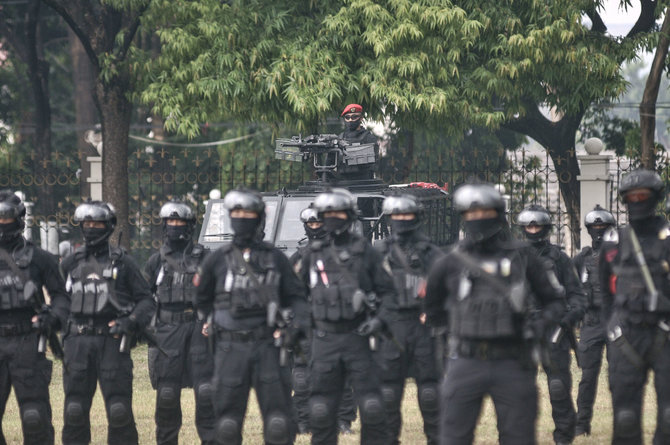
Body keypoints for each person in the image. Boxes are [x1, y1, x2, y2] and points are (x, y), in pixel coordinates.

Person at [424, 182, 565, 445]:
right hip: (465, 360)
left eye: (485, 213)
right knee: (453, 437)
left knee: (518, 436)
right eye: (471, 214)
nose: (478, 219)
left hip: (513, 360)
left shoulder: (523, 256)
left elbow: (555, 301)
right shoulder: (449, 262)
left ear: (498, 214)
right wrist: (459, 327)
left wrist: (537, 328)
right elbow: (433, 310)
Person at [195, 188, 309, 445]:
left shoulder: (276, 259)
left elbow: (298, 299)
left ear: (259, 218)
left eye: (248, 213)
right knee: (226, 425)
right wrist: (215, 320)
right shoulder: (217, 260)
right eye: (237, 213)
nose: (243, 218)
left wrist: (294, 326)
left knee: (279, 424)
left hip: (268, 347)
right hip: (229, 348)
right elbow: (201, 299)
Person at [299, 188, 392, 445]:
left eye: (338, 213)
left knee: (372, 407)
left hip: (358, 337)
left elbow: (389, 295)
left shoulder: (366, 253)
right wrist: (303, 326)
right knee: (320, 410)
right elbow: (297, 297)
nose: (333, 218)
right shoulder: (312, 255)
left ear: (350, 215)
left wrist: (378, 320)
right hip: (324, 339)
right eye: (328, 214)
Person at [60, 201, 155, 444]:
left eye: (97, 223)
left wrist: (131, 322)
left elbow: (146, 300)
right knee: (74, 411)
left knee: (119, 411)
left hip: (112, 342)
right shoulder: (70, 262)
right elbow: (59, 298)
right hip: (77, 344)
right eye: (87, 223)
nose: (91, 228)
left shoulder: (124, 262)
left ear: (109, 226)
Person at [599, 169, 670, 445]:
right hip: (625, 335)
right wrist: (610, 326)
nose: (637, 201)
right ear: (624, 201)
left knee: (667, 417)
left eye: (643, 196)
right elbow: (603, 291)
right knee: (626, 419)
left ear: (656, 198)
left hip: (665, 333)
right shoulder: (612, 242)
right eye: (632, 197)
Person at [0, 190, 69, 445]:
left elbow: (62, 297)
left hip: (27, 340)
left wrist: (52, 317)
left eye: (6, 218)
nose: (1, 224)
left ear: (18, 219)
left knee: (34, 417)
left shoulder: (39, 258)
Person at [374, 194, 443, 445]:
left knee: (430, 392)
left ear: (417, 217)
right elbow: (365, 288)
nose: (402, 220)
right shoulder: (378, 252)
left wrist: (432, 311)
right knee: (389, 392)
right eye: (397, 216)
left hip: (423, 326)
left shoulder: (431, 252)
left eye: (407, 215)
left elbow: (445, 288)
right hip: (390, 327)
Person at [144, 201, 215, 444]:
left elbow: (220, 294)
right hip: (167, 331)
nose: (175, 227)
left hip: (199, 329)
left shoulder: (206, 258)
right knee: (166, 394)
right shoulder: (156, 261)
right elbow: (144, 296)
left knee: (206, 392)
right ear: (164, 226)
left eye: (180, 223)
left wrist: (212, 319)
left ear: (190, 226)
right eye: (170, 223)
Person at [517, 204, 587, 445]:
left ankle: (564, 437)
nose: (533, 229)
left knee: (558, 386)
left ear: (545, 227)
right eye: (529, 225)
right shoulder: (512, 257)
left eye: (536, 225)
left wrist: (567, 319)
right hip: (522, 329)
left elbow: (578, 296)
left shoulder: (560, 258)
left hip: (553, 329)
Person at [289, 206, 357, 436]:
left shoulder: (344, 253)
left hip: (336, 320)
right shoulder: (299, 257)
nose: (316, 229)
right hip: (307, 323)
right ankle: (302, 420)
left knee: (340, 372)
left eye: (320, 224)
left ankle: (343, 419)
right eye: (312, 225)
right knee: (301, 376)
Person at [572, 205, 615, 437]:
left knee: (620, 375)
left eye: (603, 226)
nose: (598, 231)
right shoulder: (581, 259)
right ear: (589, 229)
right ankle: (581, 425)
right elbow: (571, 288)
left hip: (616, 319)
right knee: (588, 376)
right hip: (591, 322)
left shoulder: (620, 255)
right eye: (595, 226)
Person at [338, 104, 379, 179]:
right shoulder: (340, 138)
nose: (350, 120)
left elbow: (374, 164)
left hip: (363, 183)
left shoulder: (369, 138)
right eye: (347, 117)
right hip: (343, 183)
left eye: (354, 117)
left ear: (361, 118)